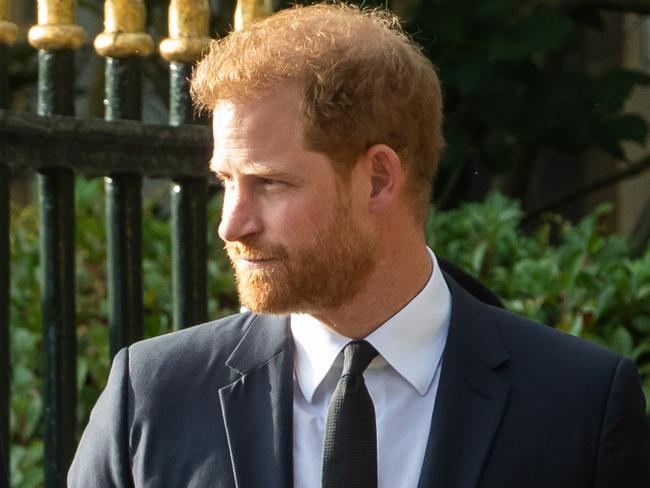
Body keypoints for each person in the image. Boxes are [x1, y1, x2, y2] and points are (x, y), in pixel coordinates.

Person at [68, 4, 650, 487]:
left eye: (270, 182)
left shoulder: (577, 405)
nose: (231, 224)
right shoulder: (152, 395)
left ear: (378, 179)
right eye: (226, 181)